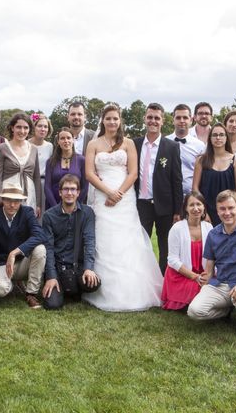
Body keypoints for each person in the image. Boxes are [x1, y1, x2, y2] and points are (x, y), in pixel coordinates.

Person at [83, 103, 163, 311]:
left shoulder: (128, 143)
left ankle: (133, 290)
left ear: (120, 121)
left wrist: (118, 193)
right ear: (102, 120)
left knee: (127, 241)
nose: (112, 122)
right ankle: (103, 289)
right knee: (105, 239)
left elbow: (133, 173)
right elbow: (90, 173)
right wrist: (108, 192)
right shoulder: (93, 145)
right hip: (102, 196)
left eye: (115, 119)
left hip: (125, 197)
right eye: (108, 118)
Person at [187, 190, 236, 334]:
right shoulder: (213, 235)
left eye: (230, 208)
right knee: (194, 311)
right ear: (217, 211)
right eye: (222, 209)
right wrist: (205, 280)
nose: (227, 212)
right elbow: (209, 269)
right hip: (221, 284)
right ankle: (226, 311)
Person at [133, 103, 183, 274]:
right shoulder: (135, 144)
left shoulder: (171, 147)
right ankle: (142, 278)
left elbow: (177, 179)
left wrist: (178, 209)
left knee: (165, 246)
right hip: (141, 203)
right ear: (145, 119)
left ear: (162, 121)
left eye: (157, 118)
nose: (153, 121)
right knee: (140, 244)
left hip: (165, 205)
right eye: (150, 117)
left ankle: (164, 280)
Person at [42, 174, 101, 309]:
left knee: (93, 283)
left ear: (78, 192)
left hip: (77, 267)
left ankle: (73, 288)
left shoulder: (87, 213)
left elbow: (89, 241)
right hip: (58, 267)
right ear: (60, 192)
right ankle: (65, 288)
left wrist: (88, 269)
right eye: (66, 189)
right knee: (52, 305)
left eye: (73, 189)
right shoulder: (49, 216)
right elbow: (48, 248)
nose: (69, 193)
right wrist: (51, 276)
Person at [0, 183, 46, 309]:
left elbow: (40, 235)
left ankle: (31, 293)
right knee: (0, 289)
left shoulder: (27, 212)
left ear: (21, 201)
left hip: (22, 261)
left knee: (40, 249)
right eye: (8, 200)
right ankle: (12, 286)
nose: (12, 205)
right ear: (2, 199)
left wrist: (15, 252)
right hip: (2, 264)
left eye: (16, 201)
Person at [161, 192, 213, 311]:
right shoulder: (177, 228)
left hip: (203, 273)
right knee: (198, 298)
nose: (195, 208)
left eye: (199, 204)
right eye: (191, 205)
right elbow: (172, 260)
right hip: (181, 274)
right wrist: (195, 277)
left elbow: (213, 256)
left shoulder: (209, 228)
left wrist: (207, 275)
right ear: (186, 208)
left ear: (204, 207)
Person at [0, 113, 42, 217]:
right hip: (8, 195)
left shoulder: (33, 150)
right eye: (18, 127)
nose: (22, 131)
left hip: (29, 194)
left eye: (26, 128)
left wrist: (38, 203)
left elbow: (36, 177)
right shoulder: (2, 148)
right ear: (12, 128)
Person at [192, 123, 236, 226]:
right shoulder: (201, 160)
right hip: (207, 212)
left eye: (221, 134)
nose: (218, 137)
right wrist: (203, 212)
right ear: (210, 138)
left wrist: (231, 210)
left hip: (227, 212)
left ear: (226, 137)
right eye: (214, 135)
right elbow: (195, 188)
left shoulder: (235, 161)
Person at [166, 104, 206, 196]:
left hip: (191, 196)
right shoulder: (164, 142)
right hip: (168, 195)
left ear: (191, 120)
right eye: (178, 118)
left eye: (185, 117)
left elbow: (203, 174)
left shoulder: (200, 146)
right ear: (173, 120)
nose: (182, 121)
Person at [44, 127, 88, 208]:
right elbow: (47, 187)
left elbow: (85, 186)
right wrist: (56, 208)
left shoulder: (81, 160)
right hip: (53, 205)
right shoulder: (50, 162)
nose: (66, 141)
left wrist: (75, 205)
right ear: (58, 141)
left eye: (68, 138)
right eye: (62, 138)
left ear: (73, 140)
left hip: (75, 207)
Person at [29, 113, 54, 199]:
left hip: (45, 185)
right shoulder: (26, 144)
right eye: (40, 126)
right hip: (30, 183)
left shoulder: (50, 146)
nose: (43, 129)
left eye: (45, 127)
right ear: (33, 127)